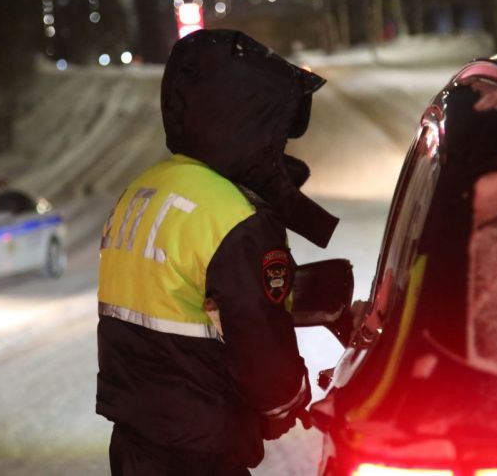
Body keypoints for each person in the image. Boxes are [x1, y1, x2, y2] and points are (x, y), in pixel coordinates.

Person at [95, 29, 339, 475]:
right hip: (200, 446)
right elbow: (257, 334)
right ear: (246, 121)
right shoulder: (236, 217)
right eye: (276, 130)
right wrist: (287, 399)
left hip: (133, 441)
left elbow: (181, 298)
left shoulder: (145, 190)